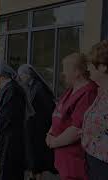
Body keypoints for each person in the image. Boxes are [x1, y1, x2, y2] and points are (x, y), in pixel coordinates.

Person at [46, 53, 98, 180]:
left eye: (65, 69)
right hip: (63, 159)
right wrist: (50, 134)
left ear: (76, 71)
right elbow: (58, 114)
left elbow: (77, 129)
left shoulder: (88, 93)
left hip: (75, 162)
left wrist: (54, 142)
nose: (63, 73)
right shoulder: (70, 90)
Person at [17, 64, 57, 180]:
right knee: (31, 151)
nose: (20, 78)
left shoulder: (39, 87)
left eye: (21, 75)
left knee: (37, 152)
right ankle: (32, 173)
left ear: (28, 75)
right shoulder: (29, 86)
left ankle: (37, 175)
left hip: (39, 126)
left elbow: (49, 108)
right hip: (31, 125)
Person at [81, 40, 108, 180]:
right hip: (93, 162)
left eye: (91, 64)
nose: (88, 69)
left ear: (103, 67)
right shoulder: (101, 92)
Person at [0, 63, 27, 180]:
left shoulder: (11, 89)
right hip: (12, 134)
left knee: (8, 167)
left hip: (11, 136)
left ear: (3, 77)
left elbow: (6, 116)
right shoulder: (13, 88)